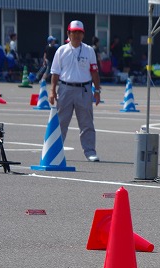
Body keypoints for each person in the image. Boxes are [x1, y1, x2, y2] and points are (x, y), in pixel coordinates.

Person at [49, 20, 102, 162]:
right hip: (65, 88)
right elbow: (55, 73)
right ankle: (56, 151)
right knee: (61, 122)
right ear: (68, 33)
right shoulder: (61, 50)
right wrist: (52, 91)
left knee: (87, 123)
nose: (77, 35)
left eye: (80, 32)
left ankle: (90, 151)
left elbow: (94, 72)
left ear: (83, 35)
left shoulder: (89, 50)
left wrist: (97, 91)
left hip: (84, 89)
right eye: (74, 32)